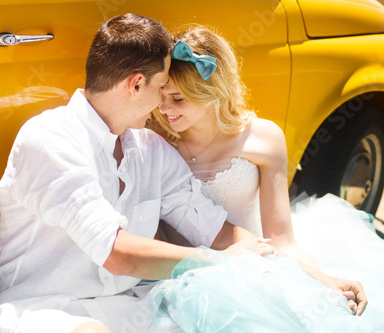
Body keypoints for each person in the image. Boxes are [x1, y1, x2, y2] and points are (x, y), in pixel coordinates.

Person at [0, 14, 277, 333]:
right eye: (161, 87)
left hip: (129, 310)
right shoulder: (50, 139)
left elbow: (213, 227)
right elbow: (117, 254)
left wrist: (253, 250)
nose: (163, 104)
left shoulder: (154, 151)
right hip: (41, 312)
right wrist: (223, 263)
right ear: (135, 85)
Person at [147, 26, 384, 331]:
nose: (164, 109)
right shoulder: (153, 138)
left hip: (254, 268)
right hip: (174, 273)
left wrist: (326, 282)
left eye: (178, 99)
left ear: (212, 91)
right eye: (161, 96)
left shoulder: (263, 138)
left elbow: (281, 239)